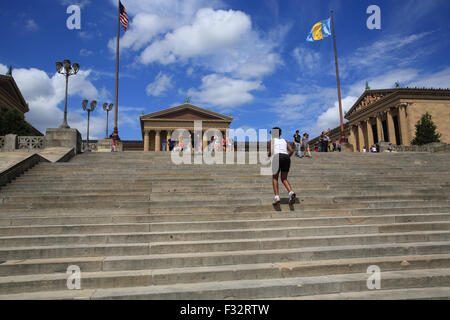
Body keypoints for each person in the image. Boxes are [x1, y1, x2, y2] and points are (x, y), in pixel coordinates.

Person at [268, 127, 296, 206]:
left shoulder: (272, 141)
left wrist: (269, 155)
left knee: (275, 177)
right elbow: (291, 150)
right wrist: (286, 157)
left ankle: (277, 197)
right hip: (286, 157)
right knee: (284, 178)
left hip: (277, 157)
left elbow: (271, 151)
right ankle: (291, 192)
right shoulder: (285, 140)